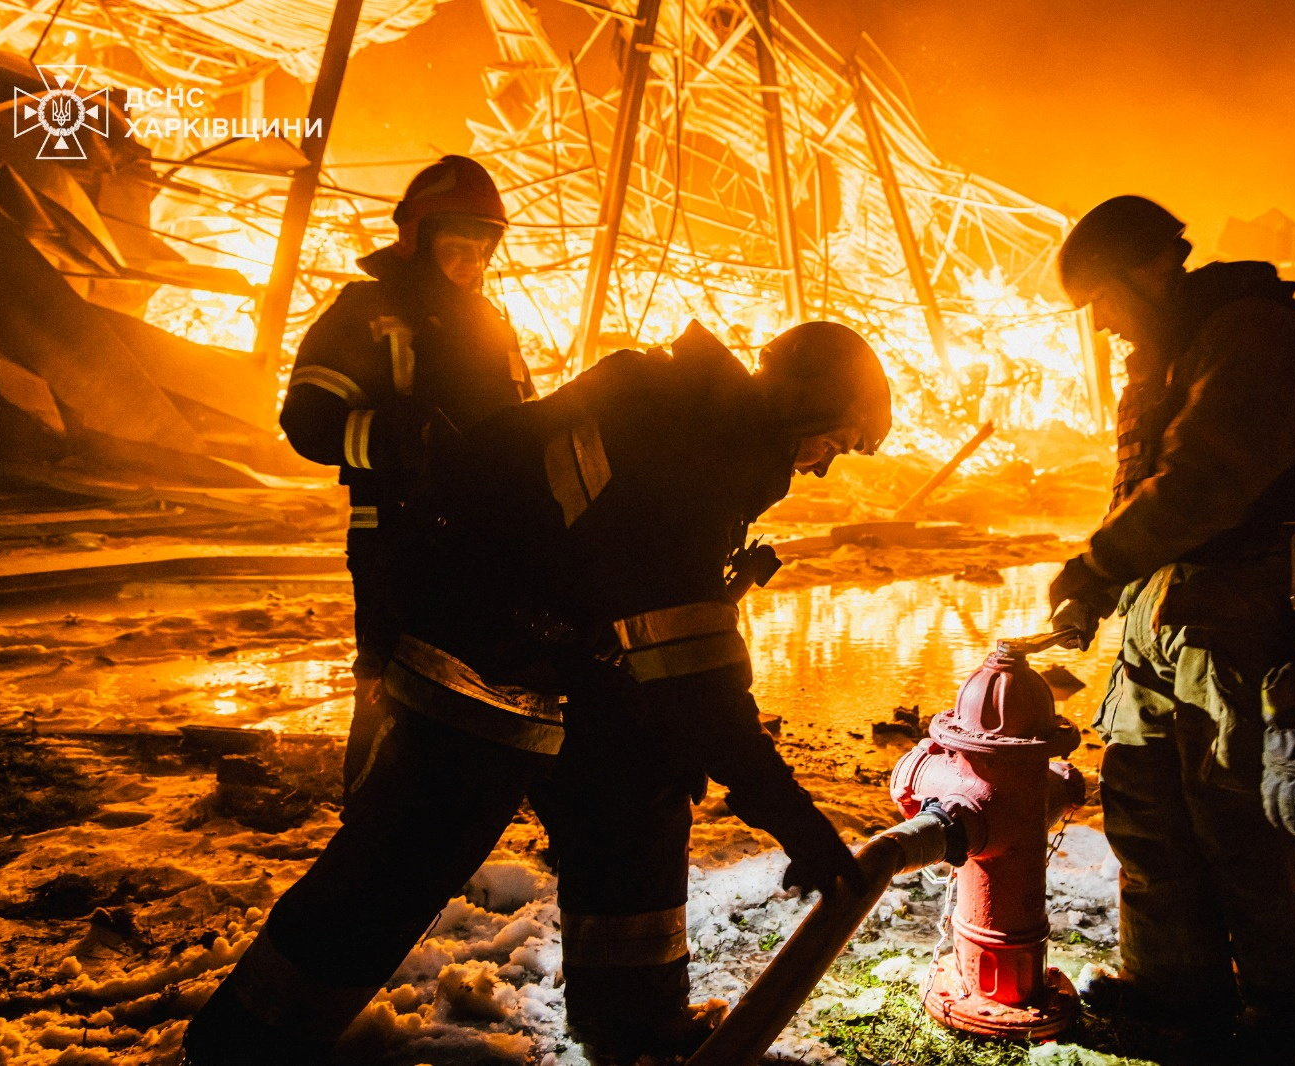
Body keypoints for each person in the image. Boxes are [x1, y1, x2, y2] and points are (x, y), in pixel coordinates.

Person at [182, 318, 890, 1065]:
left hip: (559, 651)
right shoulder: (694, 451)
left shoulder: (685, 410)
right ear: (801, 409)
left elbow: (641, 616)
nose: (819, 469)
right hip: (476, 655)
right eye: (831, 445)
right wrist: (795, 818)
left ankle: (635, 1031)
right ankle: (248, 1042)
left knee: (635, 798)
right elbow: (699, 686)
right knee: (400, 865)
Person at [1046, 196, 1295, 1061]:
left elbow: (1204, 483)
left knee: (1241, 821)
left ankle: (1278, 1016)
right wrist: (1102, 591)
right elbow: (1144, 490)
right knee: (1146, 808)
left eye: (1105, 301)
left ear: (1153, 267)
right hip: (1169, 612)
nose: (1105, 326)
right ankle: (1173, 992)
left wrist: (1096, 565)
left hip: (1252, 612)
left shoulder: (1253, 335)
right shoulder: (1165, 353)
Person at [277, 155, 535, 798]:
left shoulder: (492, 324)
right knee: (390, 686)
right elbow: (307, 421)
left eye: (481, 249)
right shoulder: (367, 311)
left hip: (486, 540)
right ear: (417, 240)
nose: (470, 264)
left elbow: (524, 424)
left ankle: (453, 818)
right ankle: (366, 816)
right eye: (455, 246)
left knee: (489, 686)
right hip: (396, 536)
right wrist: (400, 442)